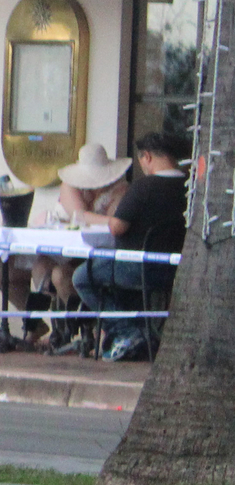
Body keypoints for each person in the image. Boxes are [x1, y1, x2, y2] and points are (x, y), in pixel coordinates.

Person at [65, 130, 188, 363]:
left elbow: (117, 227)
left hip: (136, 267)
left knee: (82, 276)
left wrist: (88, 217)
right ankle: (136, 331)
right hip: (173, 269)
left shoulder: (143, 188)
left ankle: (126, 329)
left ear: (147, 157)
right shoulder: (188, 188)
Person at [0, 142, 129, 351]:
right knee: (34, 268)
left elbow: (112, 222)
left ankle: (89, 328)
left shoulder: (121, 189)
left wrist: (88, 218)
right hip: (65, 251)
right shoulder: (70, 185)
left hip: (101, 254)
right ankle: (57, 327)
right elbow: (79, 215)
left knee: (60, 275)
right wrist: (94, 218)